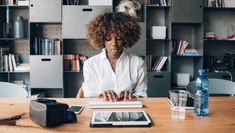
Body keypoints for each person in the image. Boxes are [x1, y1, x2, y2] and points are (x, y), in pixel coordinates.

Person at [81, 12, 147, 101]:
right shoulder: (91, 64)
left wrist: (132, 96)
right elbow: (89, 96)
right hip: (101, 112)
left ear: (125, 38)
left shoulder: (138, 63)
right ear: (101, 39)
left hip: (129, 111)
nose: (114, 43)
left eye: (119, 38)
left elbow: (142, 94)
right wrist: (101, 96)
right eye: (108, 39)